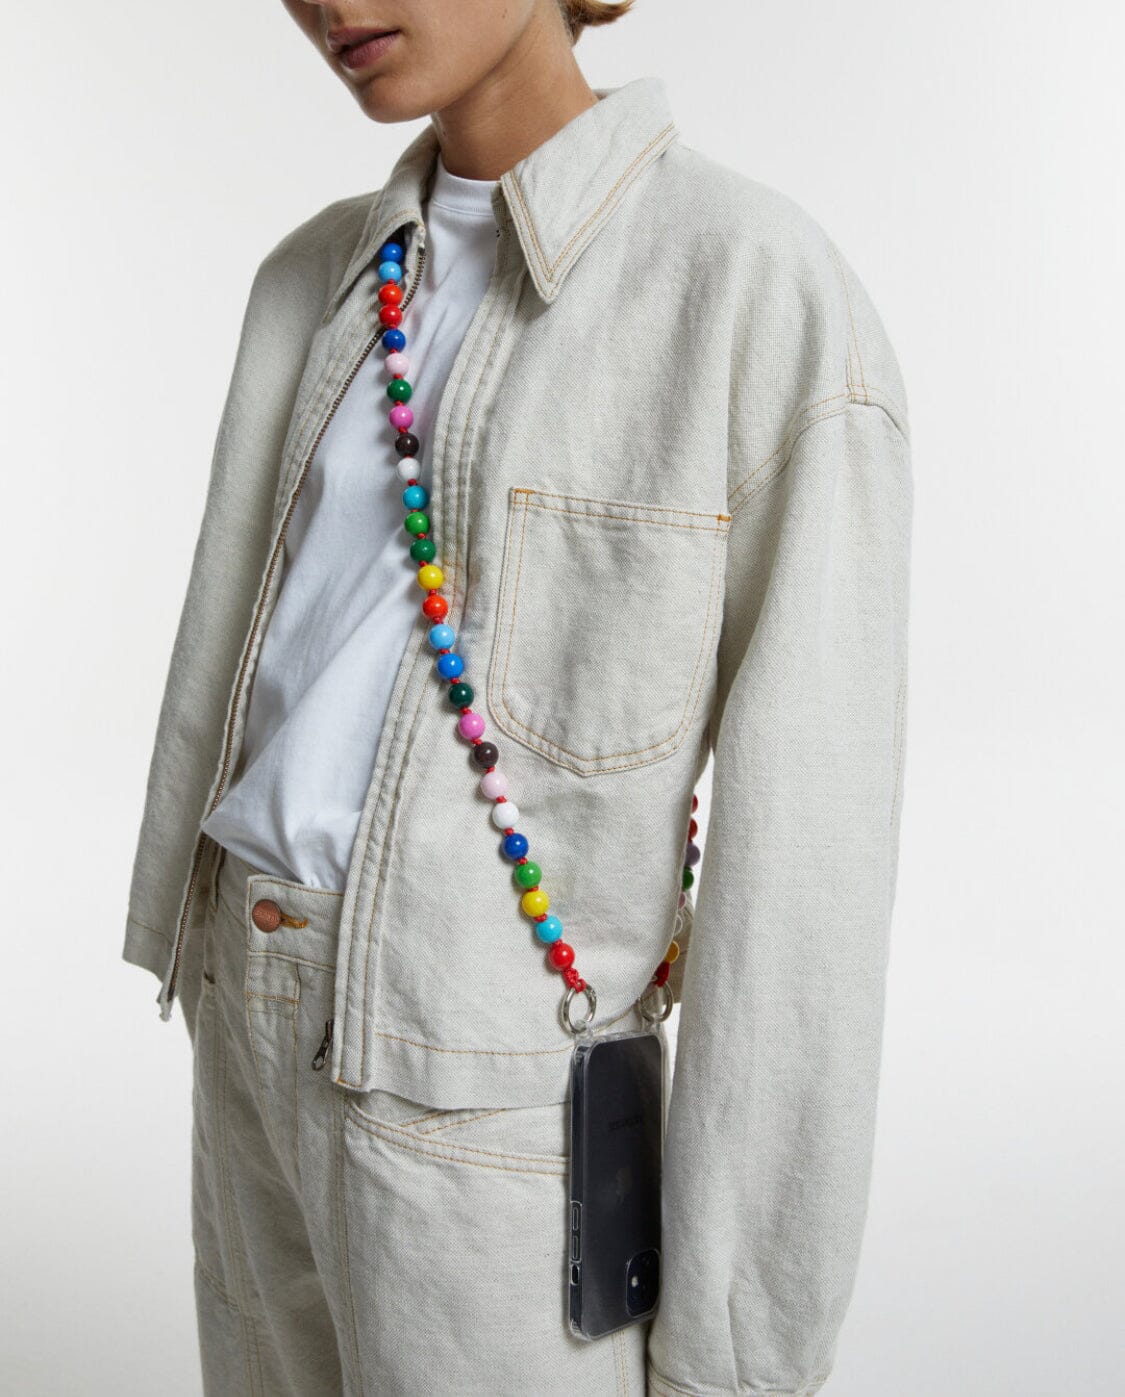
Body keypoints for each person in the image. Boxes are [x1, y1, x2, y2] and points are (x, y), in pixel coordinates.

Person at [121, 1, 914, 1393]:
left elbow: (805, 885)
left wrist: (735, 1356)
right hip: (246, 1020)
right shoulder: (313, 278)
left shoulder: (750, 290)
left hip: (497, 1095)